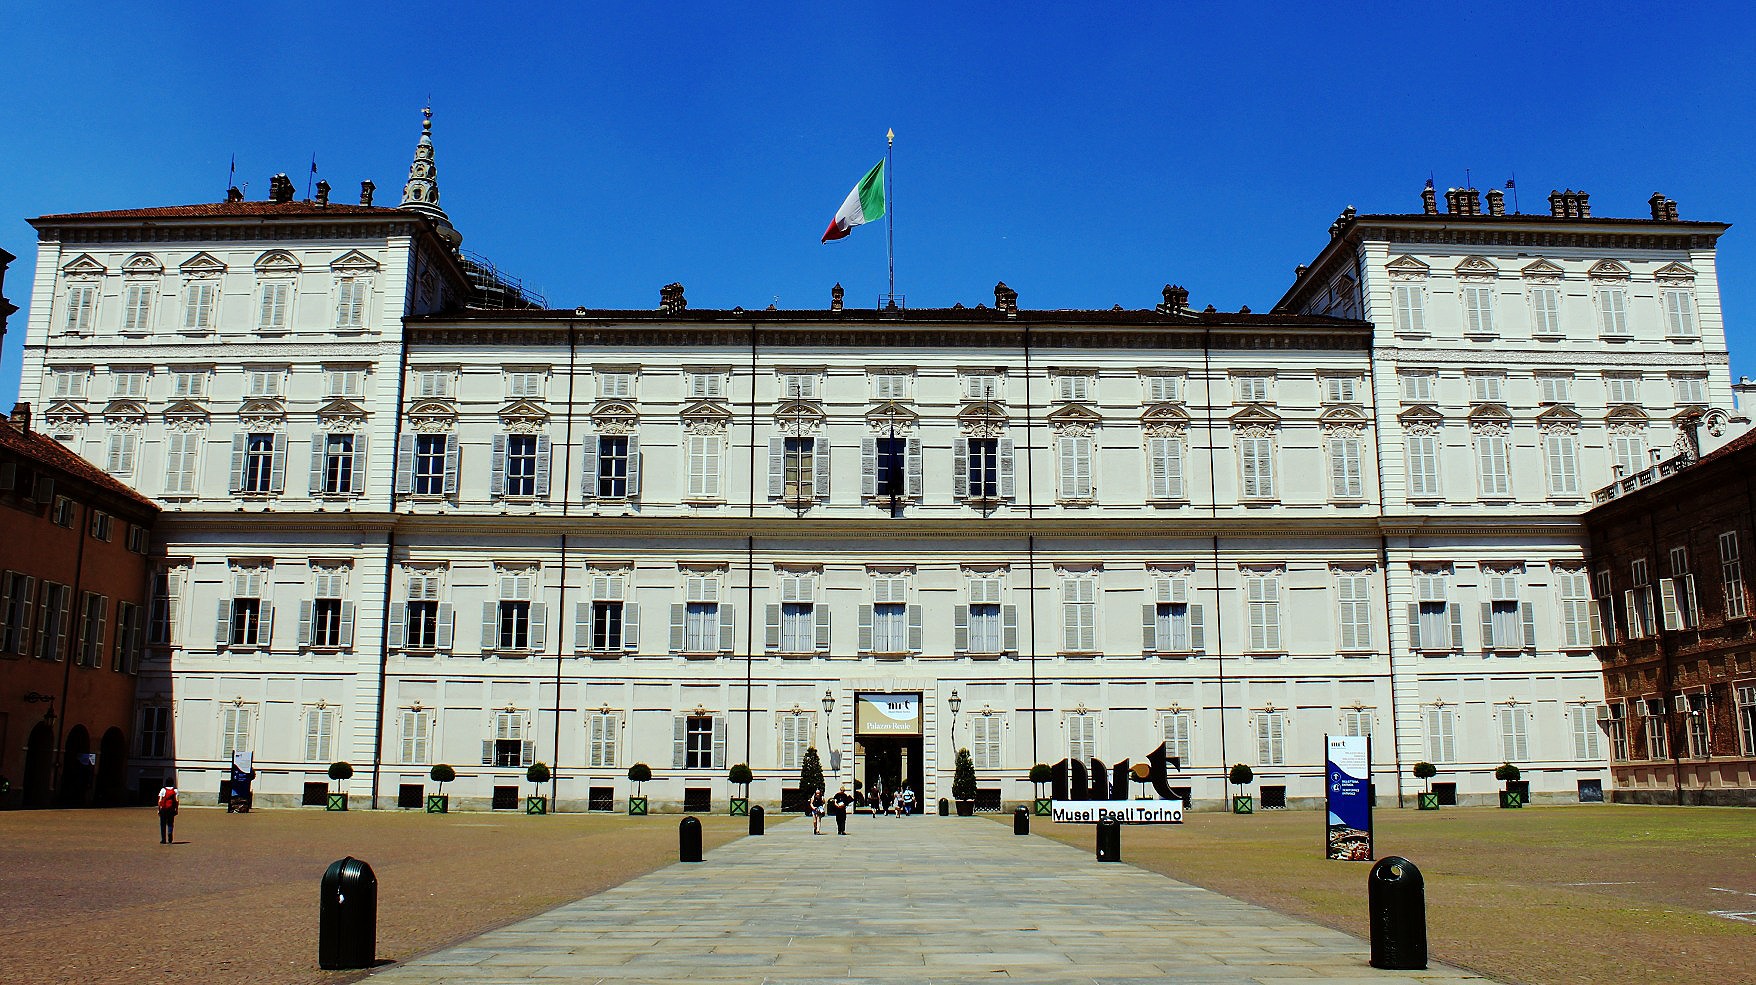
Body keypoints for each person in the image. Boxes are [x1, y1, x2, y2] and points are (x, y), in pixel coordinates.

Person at [157, 778, 179, 844]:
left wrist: (159, 809)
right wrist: (176, 809)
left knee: (163, 824)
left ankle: (163, 839)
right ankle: (170, 836)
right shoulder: (175, 790)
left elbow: (159, 801)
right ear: (172, 783)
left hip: (164, 809)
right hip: (171, 809)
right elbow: (177, 801)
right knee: (170, 823)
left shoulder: (163, 790)